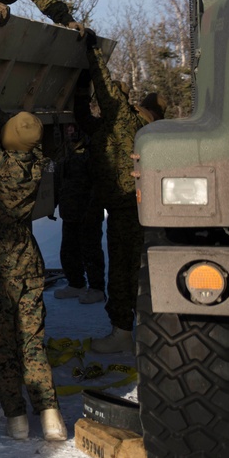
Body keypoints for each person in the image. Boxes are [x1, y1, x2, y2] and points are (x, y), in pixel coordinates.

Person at [0, 41, 66, 442]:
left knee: (3, 347)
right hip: (28, 263)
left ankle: (17, 421)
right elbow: (10, 128)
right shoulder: (34, 160)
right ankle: (52, 416)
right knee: (32, 343)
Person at [74, 31, 167, 353]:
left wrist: (92, 53)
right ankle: (135, 328)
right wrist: (81, 86)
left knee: (126, 269)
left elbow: (106, 87)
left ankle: (124, 332)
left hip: (129, 209)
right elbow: (86, 120)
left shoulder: (124, 121)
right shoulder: (145, 129)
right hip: (133, 207)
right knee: (135, 268)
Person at [53, 123, 107, 304]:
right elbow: (59, 180)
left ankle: (97, 288)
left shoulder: (92, 153)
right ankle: (76, 284)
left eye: (74, 130)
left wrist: (93, 209)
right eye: (68, 129)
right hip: (69, 212)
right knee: (68, 251)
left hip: (88, 212)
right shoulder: (66, 153)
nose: (70, 133)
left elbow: (99, 184)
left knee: (90, 251)